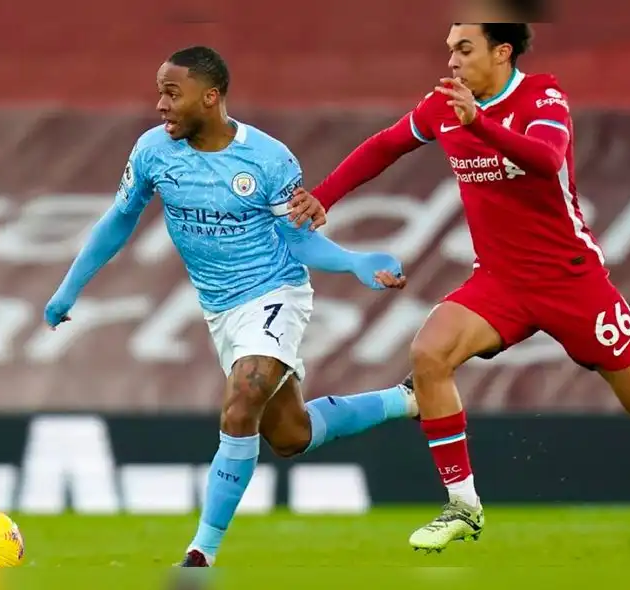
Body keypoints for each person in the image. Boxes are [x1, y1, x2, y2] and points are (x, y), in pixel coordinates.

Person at [287, 23, 630, 567]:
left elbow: (547, 159)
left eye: (464, 48)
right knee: (430, 353)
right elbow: (386, 145)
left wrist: (479, 124)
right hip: (500, 281)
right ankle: (463, 504)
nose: (451, 59)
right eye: (449, 48)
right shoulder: (442, 106)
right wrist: (325, 195)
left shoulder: (542, 96)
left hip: (572, 283)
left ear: (502, 52)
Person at [44, 46, 417, 567]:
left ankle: (201, 553)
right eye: (159, 92)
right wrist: (69, 289)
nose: (160, 105)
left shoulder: (267, 159)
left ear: (210, 96)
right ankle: (405, 400)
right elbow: (118, 220)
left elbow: (300, 240)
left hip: (274, 293)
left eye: (172, 93)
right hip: (220, 309)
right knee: (290, 435)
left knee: (243, 396)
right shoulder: (153, 152)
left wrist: (354, 263)